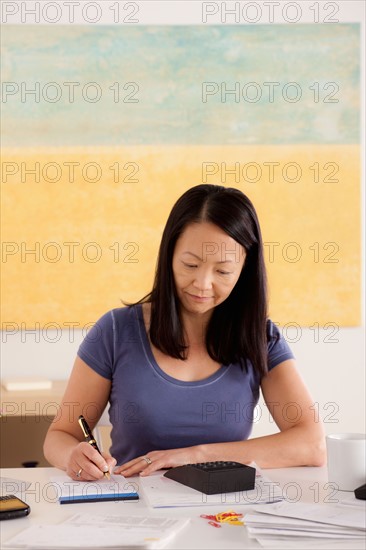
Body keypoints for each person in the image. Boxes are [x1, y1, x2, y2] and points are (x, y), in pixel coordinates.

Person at [44, 184, 326, 481]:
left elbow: (312, 444)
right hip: (134, 510)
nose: (203, 283)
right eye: (190, 264)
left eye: (223, 271)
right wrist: (71, 456)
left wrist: (193, 456)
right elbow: (60, 436)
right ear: (169, 254)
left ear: (245, 269)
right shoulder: (116, 330)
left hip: (225, 508)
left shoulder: (260, 338)